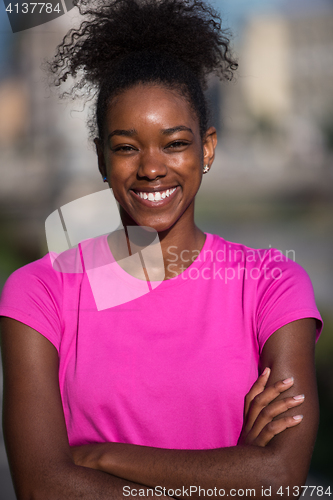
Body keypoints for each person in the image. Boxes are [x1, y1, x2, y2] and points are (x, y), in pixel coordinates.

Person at [0, 0, 323, 498]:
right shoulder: (38, 294)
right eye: (127, 146)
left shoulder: (272, 283)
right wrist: (230, 476)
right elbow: (43, 487)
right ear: (101, 158)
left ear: (207, 148)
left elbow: (279, 478)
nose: (152, 168)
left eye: (174, 143)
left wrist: (101, 457)